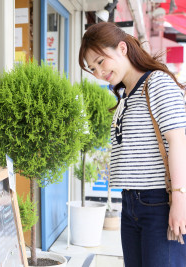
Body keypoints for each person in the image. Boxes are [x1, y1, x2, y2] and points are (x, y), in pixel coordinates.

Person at [79, 22, 186, 266]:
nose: (98, 72)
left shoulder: (157, 83)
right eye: (92, 68)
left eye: (100, 61)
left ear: (122, 48)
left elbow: (178, 141)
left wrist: (180, 201)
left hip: (160, 204)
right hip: (130, 204)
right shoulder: (126, 95)